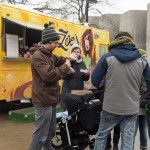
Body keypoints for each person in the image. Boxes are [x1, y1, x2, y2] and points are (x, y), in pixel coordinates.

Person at [91, 31, 150, 150]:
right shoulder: (142, 61)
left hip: (110, 107)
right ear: (131, 42)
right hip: (131, 108)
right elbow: (147, 86)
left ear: (116, 42)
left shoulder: (107, 58)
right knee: (127, 139)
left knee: (102, 135)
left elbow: (96, 82)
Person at [29, 24, 71, 150]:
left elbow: (59, 59)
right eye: (56, 43)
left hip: (50, 99)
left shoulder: (48, 54)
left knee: (51, 130)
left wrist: (70, 59)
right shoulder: (38, 56)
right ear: (49, 41)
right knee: (40, 133)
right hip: (43, 101)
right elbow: (48, 76)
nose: (57, 45)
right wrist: (66, 67)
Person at [60, 43, 90, 111]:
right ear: (71, 52)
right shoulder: (67, 61)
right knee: (67, 112)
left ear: (80, 53)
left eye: (78, 52)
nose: (76, 53)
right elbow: (63, 76)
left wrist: (87, 75)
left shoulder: (83, 63)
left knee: (78, 112)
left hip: (78, 92)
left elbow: (84, 79)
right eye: (74, 51)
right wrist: (71, 68)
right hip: (68, 92)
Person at [133, 49, 148, 150]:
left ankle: (143, 145)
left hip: (141, 103)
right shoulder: (142, 70)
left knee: (141, 128)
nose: (145, 59)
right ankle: (141, 146)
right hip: (139, 103)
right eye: (144, 57)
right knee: (135, 129)